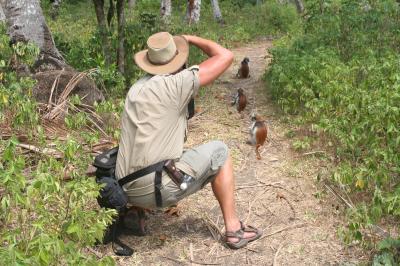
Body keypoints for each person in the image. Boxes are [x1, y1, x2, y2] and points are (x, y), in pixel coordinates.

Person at [115, 32, 262, 249]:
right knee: (220, 151)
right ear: (177, 60)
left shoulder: (137, 88)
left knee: (149, 152)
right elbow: (225, 56)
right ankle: (234, 229)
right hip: (154, 188)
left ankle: (135, 214)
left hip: (123, 188)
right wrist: (189, 39)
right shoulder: (176, 84)